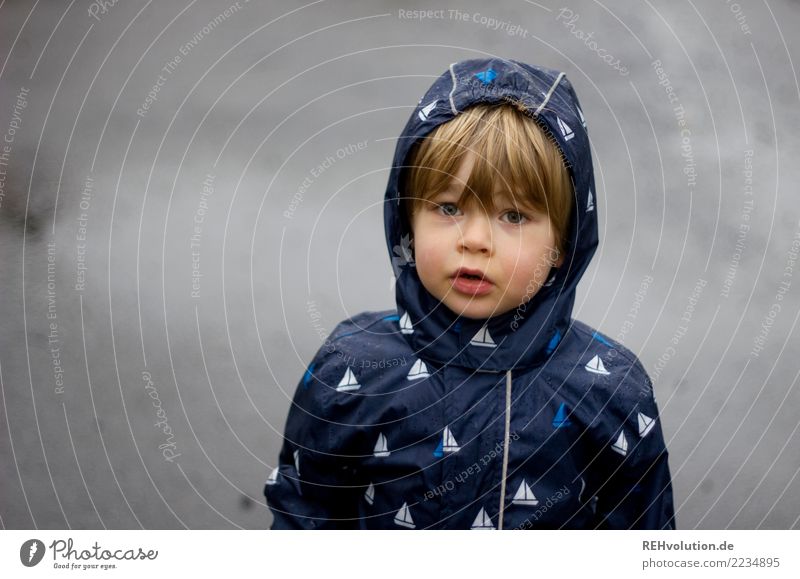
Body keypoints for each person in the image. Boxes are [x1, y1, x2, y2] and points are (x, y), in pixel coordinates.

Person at [264, 57, 675, 530]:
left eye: (514, 216)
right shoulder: (352, 370)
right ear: (407, 222)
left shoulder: (608, 390)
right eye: (448, 207)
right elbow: (304, 515)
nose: (475, 239)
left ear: (564, 243)